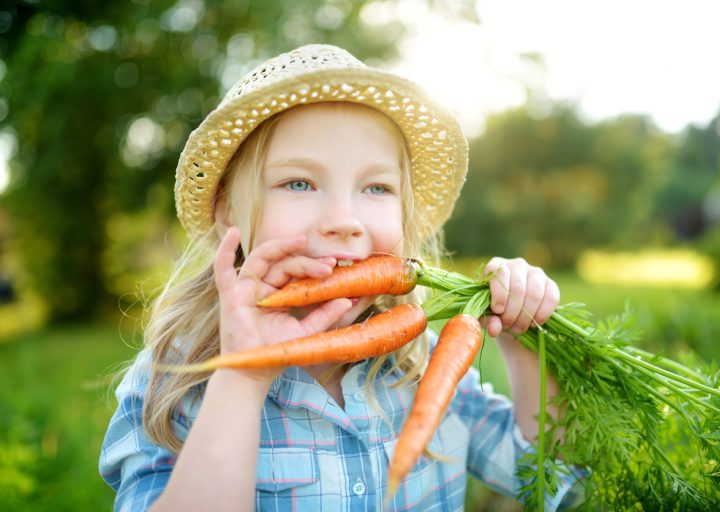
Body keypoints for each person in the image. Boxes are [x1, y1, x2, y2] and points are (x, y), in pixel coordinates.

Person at [99, 44, 585, 511]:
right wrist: (242, 378)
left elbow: (549, 481)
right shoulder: (174, 381)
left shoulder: (423, 363)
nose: (344, 220)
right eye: (298, 183)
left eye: (376, 187)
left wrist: (527, 348)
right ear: (228, 212)